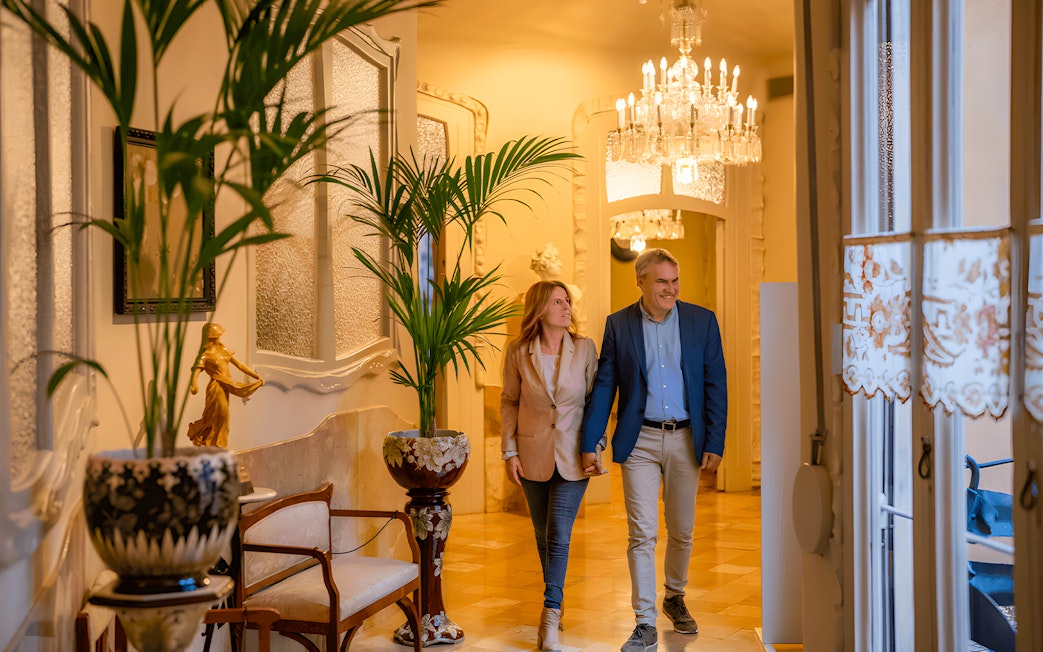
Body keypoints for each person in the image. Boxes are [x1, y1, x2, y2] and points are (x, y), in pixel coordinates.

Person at [579, 248, 727, 652]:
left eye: (675, 280)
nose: (671, 289)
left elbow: (716, 383)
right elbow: (606, 385)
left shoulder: (702, 321)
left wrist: (715, 440)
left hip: (686, 438)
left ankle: (674, 596)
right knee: (641, 532)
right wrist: (591, 439)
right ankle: (644, 621)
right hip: (639, 439)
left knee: (682, 530)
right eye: (662, 281)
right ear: (641, 281)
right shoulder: (619, 325)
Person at [501, 280, 600, 651]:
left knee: (559, 532)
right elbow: (509, 401)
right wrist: (509, 452)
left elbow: (596, 401)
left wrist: (596, 444)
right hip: (532, 455)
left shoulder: (586, 349)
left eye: (568, 301)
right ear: (540, 309)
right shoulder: (518, 351)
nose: (566, 307)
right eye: (558, 301)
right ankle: (557, 599)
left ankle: (550, 616)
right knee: (543, 537)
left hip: (575, 456)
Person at [187, 322, 264, 448]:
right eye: (216, 336)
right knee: (217, 416)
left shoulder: (222, 350)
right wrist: (194, 384)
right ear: (210, 337)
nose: (219, 338)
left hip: (226, 387)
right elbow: (196, 372)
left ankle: (218, 444)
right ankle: (211, 443)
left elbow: (239, 365)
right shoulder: (205, 355)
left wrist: (255, 376)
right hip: (216, 388)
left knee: (224, 418)